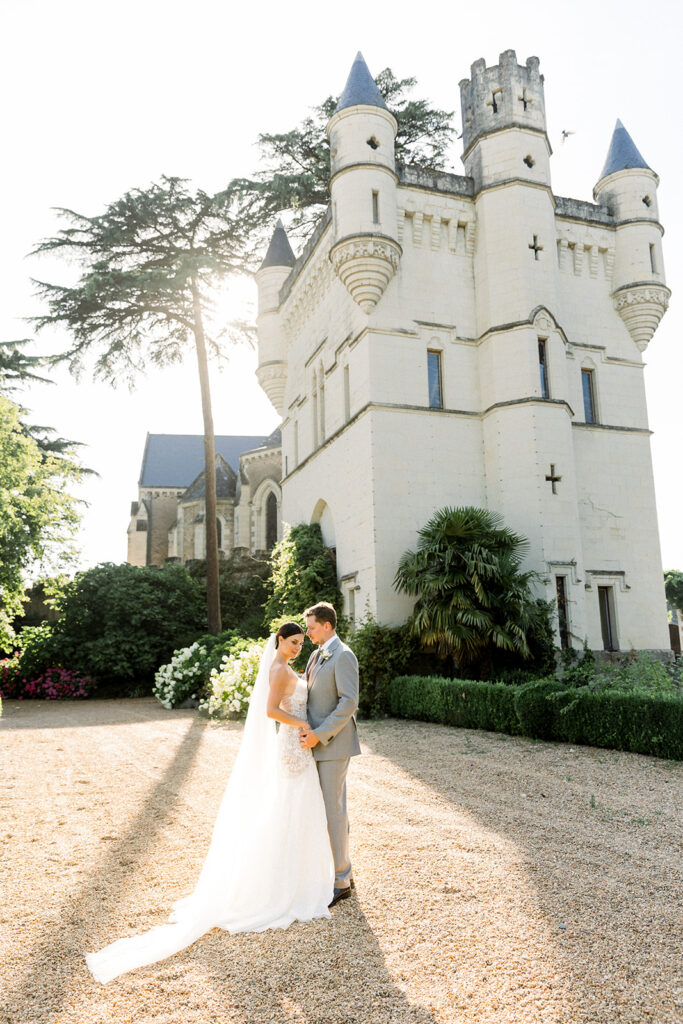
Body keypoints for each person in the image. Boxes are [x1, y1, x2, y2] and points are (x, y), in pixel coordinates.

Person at [85, 622, 334, 985]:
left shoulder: (289, 666)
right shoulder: (279, 669)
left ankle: (300, 877)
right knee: (291, 807)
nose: (297, 648)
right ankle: (283, 886)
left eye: (300, 643)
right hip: (293, 744)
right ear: (279, 641)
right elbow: (270, 710)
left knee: (297, 808)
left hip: (298, 743)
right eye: (293, 642)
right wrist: (302, 723)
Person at [300, 602, 361, 907]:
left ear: (327, 625)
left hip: (333, 745)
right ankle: (343, 867)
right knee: (332, 809)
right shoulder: (315, 654)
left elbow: (349, 702)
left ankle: (341, 880)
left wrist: (319, 734)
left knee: (332, 812)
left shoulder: (344, 655)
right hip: (314, 744)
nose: (307, 633)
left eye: (310, 627)